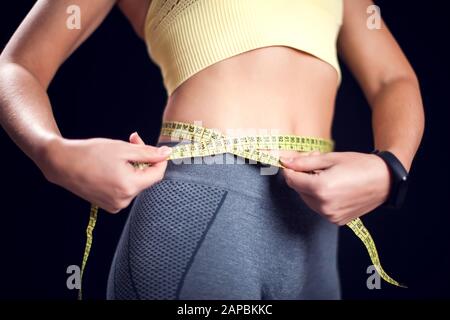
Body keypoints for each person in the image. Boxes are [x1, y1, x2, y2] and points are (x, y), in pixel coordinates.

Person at [0, 0, 424, 299]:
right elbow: (15, 66)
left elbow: (393, 80)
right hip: (198, 207)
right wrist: (51, 152)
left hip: (314, 234)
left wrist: (391, 167)